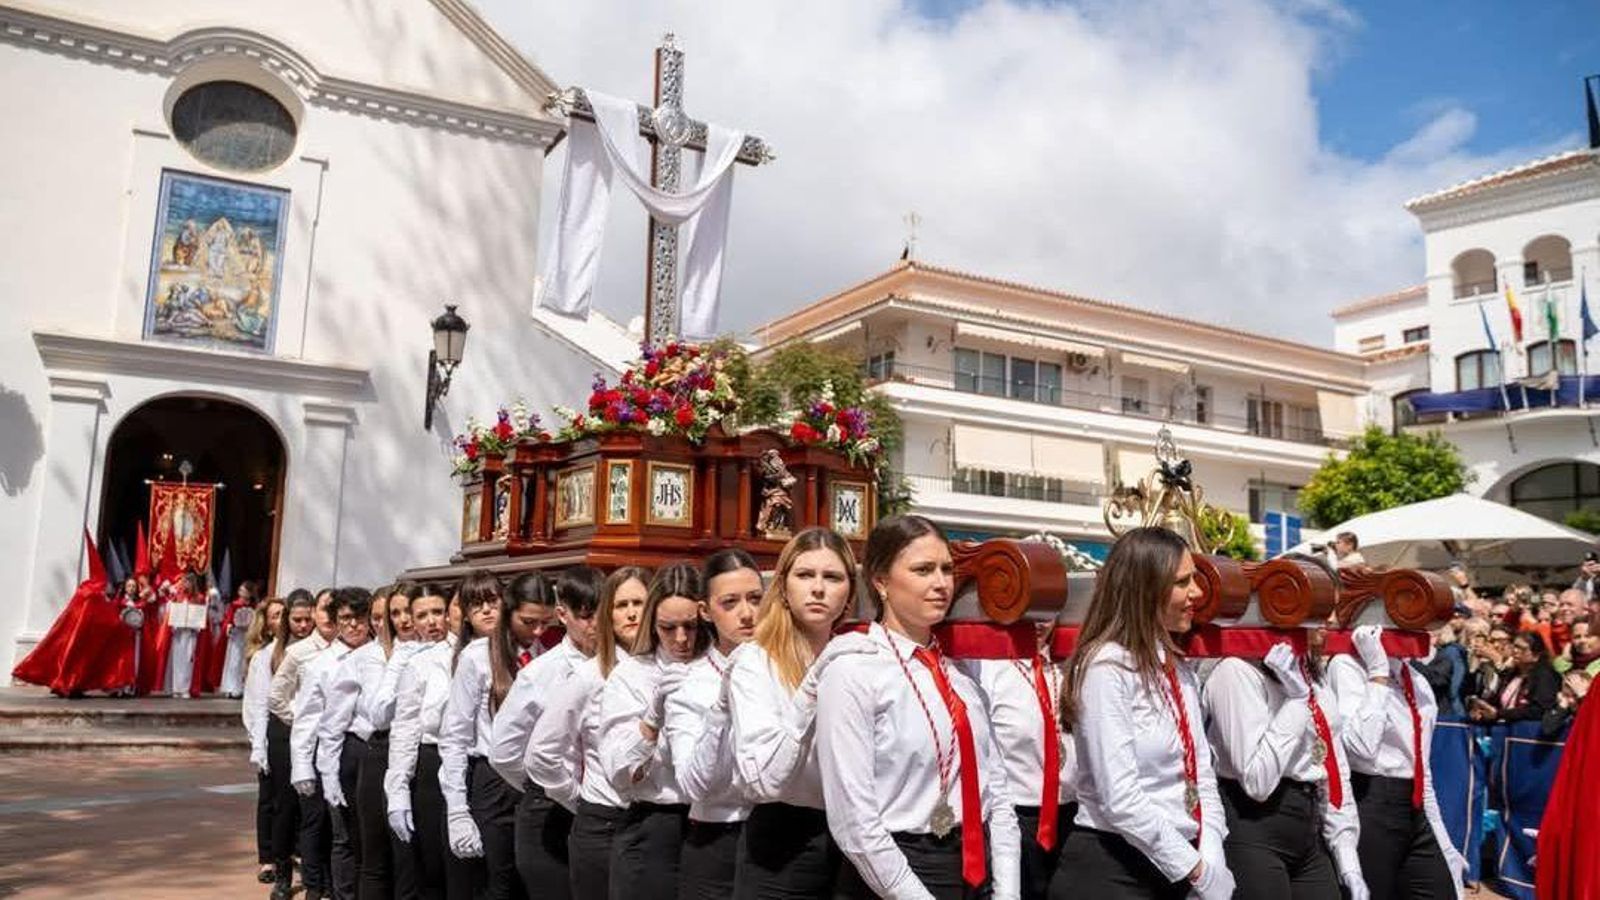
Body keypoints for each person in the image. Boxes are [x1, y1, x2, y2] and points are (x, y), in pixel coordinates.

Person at [815, 514, 1022, 899]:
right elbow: (854, 822)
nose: (941, 583)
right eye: (923, 570)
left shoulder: (960, 669)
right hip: (894, 872)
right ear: (880, 581)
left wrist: (1007, 889)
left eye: (946, 569)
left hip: (973, 865)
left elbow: (997, 789)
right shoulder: (853, 669)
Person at [1052, 526, 1231, 900]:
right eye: (1182, 582)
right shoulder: (1107, 667)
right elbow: (1120, 798)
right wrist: (1195, 869)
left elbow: (1201, 772)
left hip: (1172, 862)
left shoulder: (1175, 668)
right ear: (1144, 590)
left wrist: (1211, 848)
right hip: (1112, 869)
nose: (1196, 593)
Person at [726, 528, 862, 898]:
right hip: (781, 843)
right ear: (783, 586)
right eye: (805, 575)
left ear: (850, 590)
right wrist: (814, 684)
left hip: (854, 840)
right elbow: (766, 781)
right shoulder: (756, 661)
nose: (818, 588)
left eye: (832, 577)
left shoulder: (857, 659)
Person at [1200, 629, 1364, 900]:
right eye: (1319, 609)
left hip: (1307, 824)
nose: (1331, 621)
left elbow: (1332, 767)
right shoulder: (1235, 671)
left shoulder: (1309, 673)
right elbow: (1256, 781)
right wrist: (1297, 703)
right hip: (1254, 823)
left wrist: (1347, 856)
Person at [525, 566, 649, 900]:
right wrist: (576, 797)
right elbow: (542, 752)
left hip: (657, 824)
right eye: (621, 605)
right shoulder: (590, 675)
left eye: (639, 602)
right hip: (605, 823)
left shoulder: (667, 667)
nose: (632, 612)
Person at [443, 571, 564, 900]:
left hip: (537, 778)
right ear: (509, 611)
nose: (537, 631)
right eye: (528, 622)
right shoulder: (478, 657)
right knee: (499, 882)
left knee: (535, 879)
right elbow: (455, 735)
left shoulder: (550, 657)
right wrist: (457, 809)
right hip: (493, 780)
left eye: (545, 623)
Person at [487, 567, 604, 900]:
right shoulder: (541, 673)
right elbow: (504, 750)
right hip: (550, 807)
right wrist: (543, 785)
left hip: (600, 809)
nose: (595, 624)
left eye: (600, 614)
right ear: (562, 614)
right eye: (585, 616)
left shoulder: (618, 665)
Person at [597, 562, 709, 900]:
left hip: (713, 825)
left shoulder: (718, 664)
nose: (680, 639)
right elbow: (619, 772)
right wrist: (650, 721)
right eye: (667, 627)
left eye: (690, 626)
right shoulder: (632, 675)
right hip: (655, 825)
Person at [1328, 625, 1466, 899]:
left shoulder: (1418, 681)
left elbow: (1420, 768)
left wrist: (1445, 844)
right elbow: (1360, 748)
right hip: (1369, 800)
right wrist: (1377, 675)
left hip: (1413, 805)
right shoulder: (1346, 666)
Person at [666, 549, 762, 898]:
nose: (747, 614)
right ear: (706, 611)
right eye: (730, 602)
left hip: (782, 840)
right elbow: (693, 785)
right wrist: (720, 710)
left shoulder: (786, 672)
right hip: (718, 840)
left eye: (755, 599)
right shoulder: (689, 685)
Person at [958, 621, 1077, 900]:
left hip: (1072, 815)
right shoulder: (990, 668)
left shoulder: (1071, 664)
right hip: (1017, 817)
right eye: (1031, 610)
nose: (1039, 621)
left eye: (1047, 611)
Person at [387, 582, 491, 900]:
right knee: (435, 866)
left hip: (479, 763)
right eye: (423, 615)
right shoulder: (418, 662)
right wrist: (398, 790)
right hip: (432, 762)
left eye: (438, 612)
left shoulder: (473, 653)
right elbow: (405, 727)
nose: (432, 621)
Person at [317, 588, 395, 899]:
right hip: (361, 750)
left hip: (398, 751)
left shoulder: (414, 654)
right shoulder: (361, 659)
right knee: (357, 840)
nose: (385, 623)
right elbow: (333, 721)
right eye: (377, 617)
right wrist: (329, 773)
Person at [283, 588, 358, 900]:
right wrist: (302, 766)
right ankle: (318, 888)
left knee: (355, 835)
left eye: (360, 618)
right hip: (329, 755)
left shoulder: (377, 657)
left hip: (362, 756)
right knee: (333, 832)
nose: (354, 625)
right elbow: (307, 718)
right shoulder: (321, 663)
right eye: (346, 619)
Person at [263, 589, 326, 899]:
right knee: (286, 807)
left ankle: (319, 876)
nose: (304, 624)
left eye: (308, 618)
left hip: (322, 739)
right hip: (289, 735)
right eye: (297, 619)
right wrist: (299, 719)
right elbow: (273, 697)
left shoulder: (337, 649)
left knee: (316, 810)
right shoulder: (291, 652)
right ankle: (283, 872)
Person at [242, 596, 286, 885]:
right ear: (267, 625)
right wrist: (258, 743)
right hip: (271, 732)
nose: (281, 620)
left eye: (286, 614)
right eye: (276, 616)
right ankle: (268, 857)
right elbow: (256, 703)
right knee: (269, 800)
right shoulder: (263, 657)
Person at [1473, 632, 1560, 724]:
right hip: (1505, 729)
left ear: (1536, 655)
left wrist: (1499, 714)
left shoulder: (1545, 676)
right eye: (1514, 646)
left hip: (1528, 732)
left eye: (1522, 648)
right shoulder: (1512, 674)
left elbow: (1539, 710)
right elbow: (1500, 702)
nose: (1515, 651)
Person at [220, 581, 262, 698]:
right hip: (236, 635)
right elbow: (228, 618)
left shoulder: (254, 606)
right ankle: (231, 687)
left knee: (244, 662)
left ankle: (242, 687)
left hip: (248, 636)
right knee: (234, 661)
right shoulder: (235, 605)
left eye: (243, 590)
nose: (241, 592)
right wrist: (229, 626)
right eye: (240, 590)